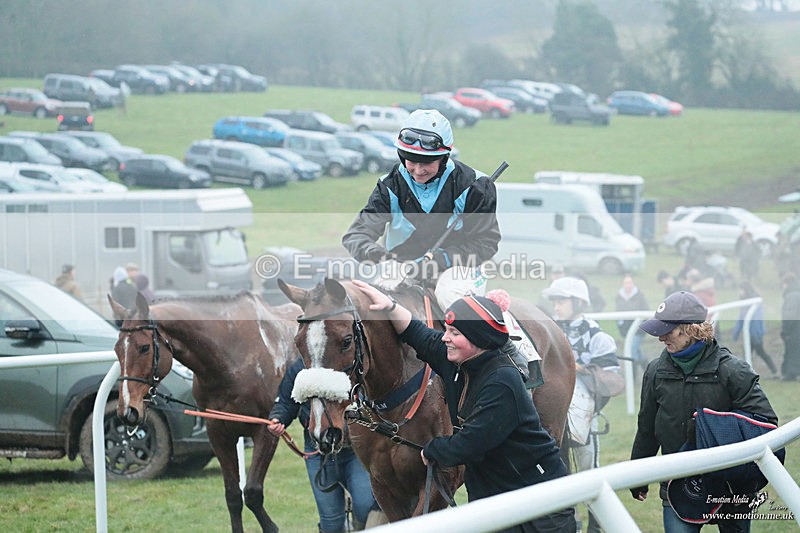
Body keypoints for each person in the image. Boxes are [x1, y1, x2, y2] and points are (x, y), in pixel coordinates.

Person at [352, 279, 576, 532]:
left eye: (454, 333)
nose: (445, 338)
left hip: (537, 502)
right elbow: (419, 334)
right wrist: (390, 306)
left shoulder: (502, 380)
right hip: (493, 497)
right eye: (447, 330)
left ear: (478, 339)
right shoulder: (458, 361)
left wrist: (433, 450)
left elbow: (472, 443)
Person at [630, 291, 778, 532]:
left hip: (731, 486)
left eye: (668, 330)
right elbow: (647, 427)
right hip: (676, 484)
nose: (661, 338)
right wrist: (638, 475)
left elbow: (766, 424)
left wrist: (712, 426)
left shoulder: (734, 370)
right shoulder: (655, 370)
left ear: (690, 329)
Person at [342, 108, 500, 307]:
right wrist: (379, 255)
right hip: (402, 267)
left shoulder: (476, 186)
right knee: (375, 305)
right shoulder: (388, 185)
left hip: (459, 268)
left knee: (449, 296)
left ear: (444, 158)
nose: (418, 170)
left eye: (427, 162)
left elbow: (487, 243)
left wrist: (439, 261)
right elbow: (356, 234)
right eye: (411, 161)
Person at [542, 277, 620, 533]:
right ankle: (568, 523)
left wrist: (579, 369)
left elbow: (611, 378)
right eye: (554, 300)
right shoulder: (546, 329)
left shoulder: (597, 336)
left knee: (588, 471)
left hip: (584, 414)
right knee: (560, 471)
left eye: (561, 300)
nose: (556, 305)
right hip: (553, 415)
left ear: (577, 302)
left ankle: (597, 526)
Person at [268, 357, 379, 533]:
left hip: (354, 449)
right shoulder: (299, 369)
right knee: (331, 524)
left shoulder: (352, 363)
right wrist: (278, 418)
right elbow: (285, 403)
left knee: (364, 507)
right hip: (318, 451)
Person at [731, 281, 778, 377]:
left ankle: (774, 371)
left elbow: (757, 319)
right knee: (748, 353)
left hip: (755, 333)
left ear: (745, 289)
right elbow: (741, 318)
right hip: (749, 333)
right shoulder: (744, 301)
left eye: (741, 289)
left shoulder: (754, 301)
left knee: (759, 352)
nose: (739, 292)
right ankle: (747, 374)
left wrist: (756, 334)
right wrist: (736, 333)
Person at [615, 273, 649, 373]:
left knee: (631, 351)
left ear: (633, 283)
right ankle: (648, 370)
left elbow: (646, 312)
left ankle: (632, 377)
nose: (628, 285)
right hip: (626, 330)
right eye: (626, 283)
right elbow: (618, 314)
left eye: (630, 282)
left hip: (638, 330)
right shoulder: (619, 297)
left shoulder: (640, 296)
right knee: (638, 352)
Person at [780, 272, 800, 381]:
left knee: (791, 350)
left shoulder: (792, 295)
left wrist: (785, 330)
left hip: (794, 329)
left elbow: (790, 314)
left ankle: (790, 373)